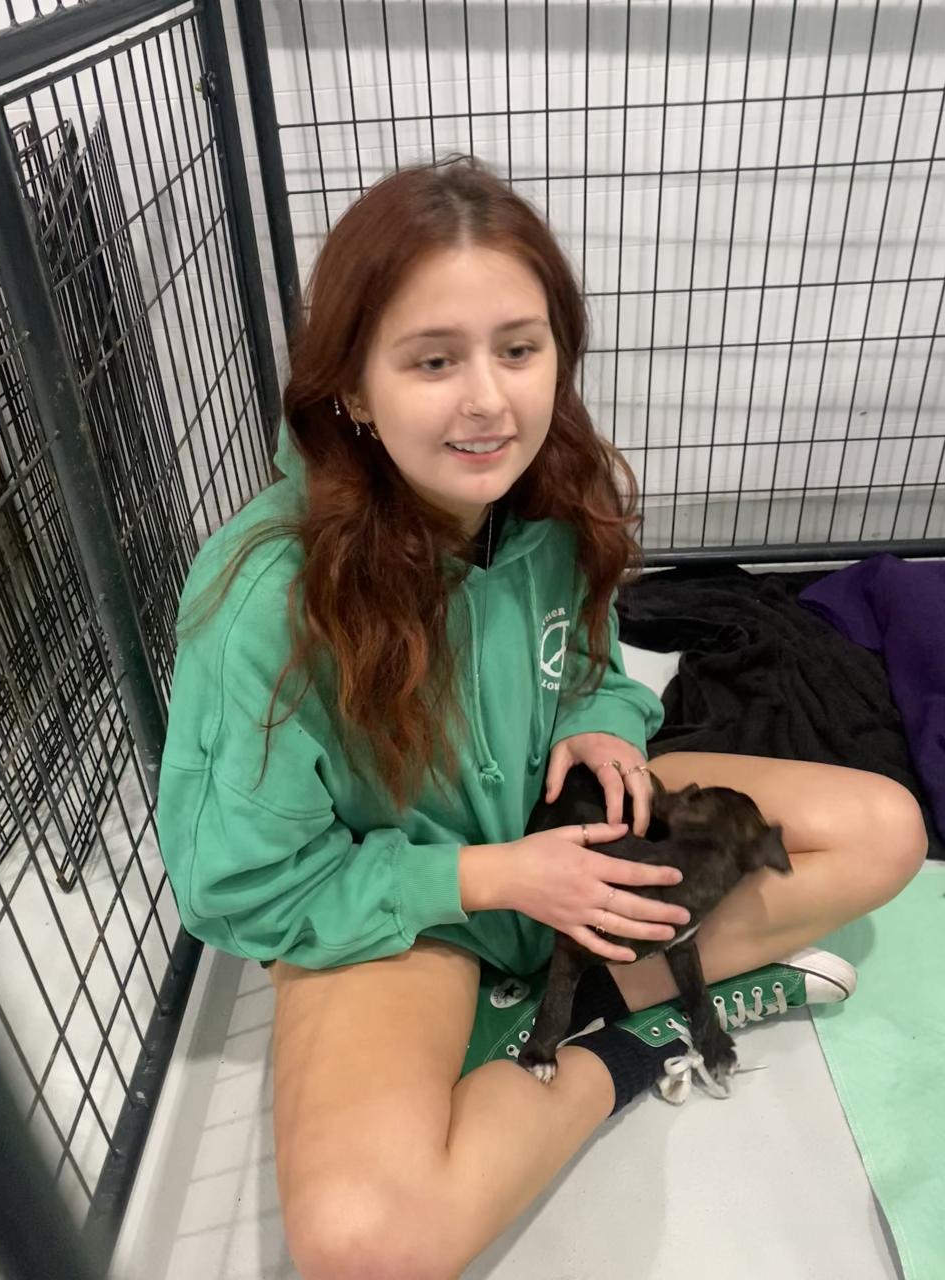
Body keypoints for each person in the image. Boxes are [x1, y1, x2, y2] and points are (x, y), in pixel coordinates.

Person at [155, 155, 927, 1279]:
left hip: (562, 842)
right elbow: (241, 887)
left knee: (886, 830)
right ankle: (627, 1037)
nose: (489, 399)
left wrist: (605, 722)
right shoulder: (262, 604)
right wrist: (490, 878)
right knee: (367, 1246)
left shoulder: (557, 496)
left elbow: (596, 668)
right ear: (353, 389)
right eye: (434, 359)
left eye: (519, 349)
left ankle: (584, 998)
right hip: (408, 911)